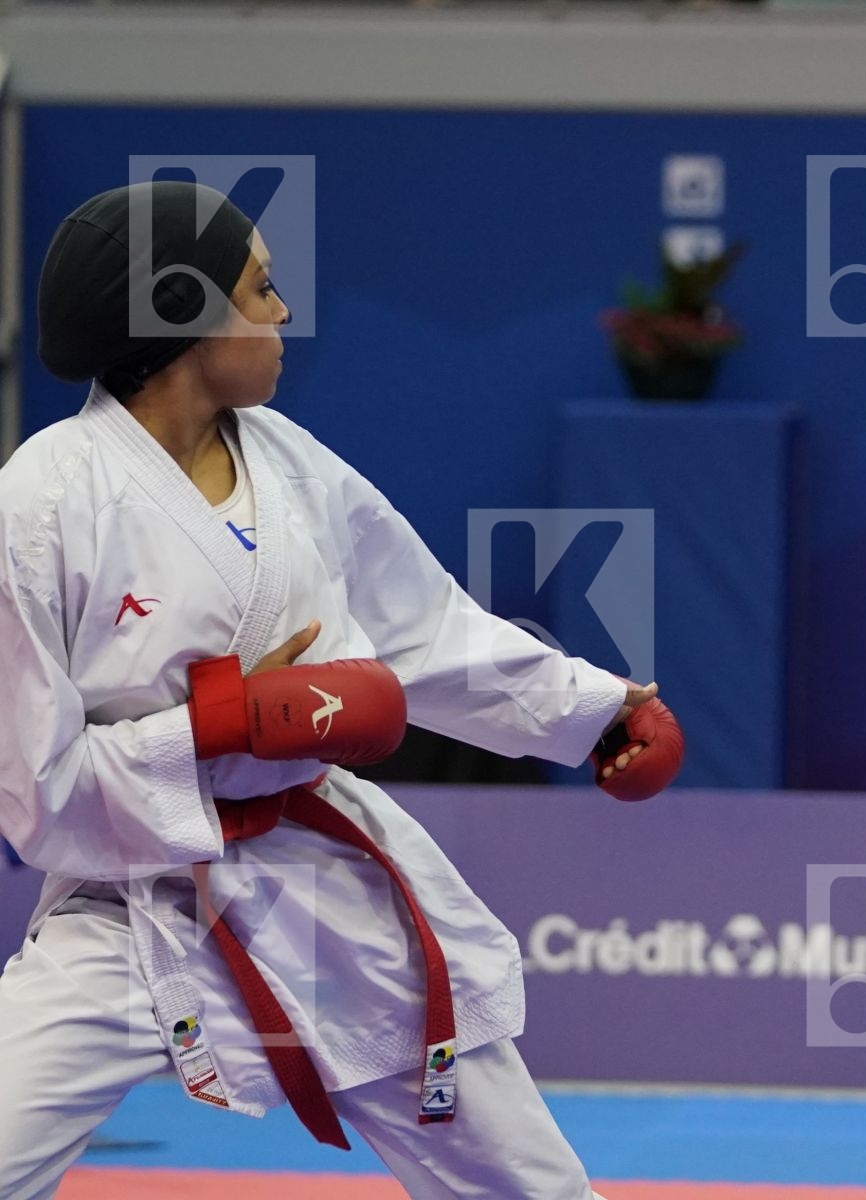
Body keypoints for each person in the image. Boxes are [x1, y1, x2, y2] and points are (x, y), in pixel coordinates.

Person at [0, 180, 683, 1199]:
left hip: (322, 887)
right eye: (260, 289)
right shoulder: (42, 502)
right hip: (129, 908)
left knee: (532, 1189)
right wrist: (218, 726)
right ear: (184, 314)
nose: (281, 315)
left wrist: (592, 712)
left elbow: (424, 630)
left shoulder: (290, 463)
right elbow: (35, 791)